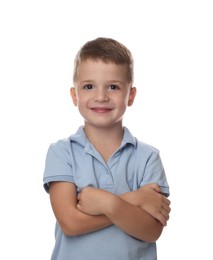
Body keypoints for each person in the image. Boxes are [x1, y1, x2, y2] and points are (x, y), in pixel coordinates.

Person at [43, 37, 171, 260]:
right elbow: (71, 223)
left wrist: (107, 202)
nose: (100, 97)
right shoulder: (62, 152)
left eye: (113, 87)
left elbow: (152, 231)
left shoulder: (148, 157)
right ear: (75, 95)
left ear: (130, 95)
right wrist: (134, 199)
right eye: (89, 86)